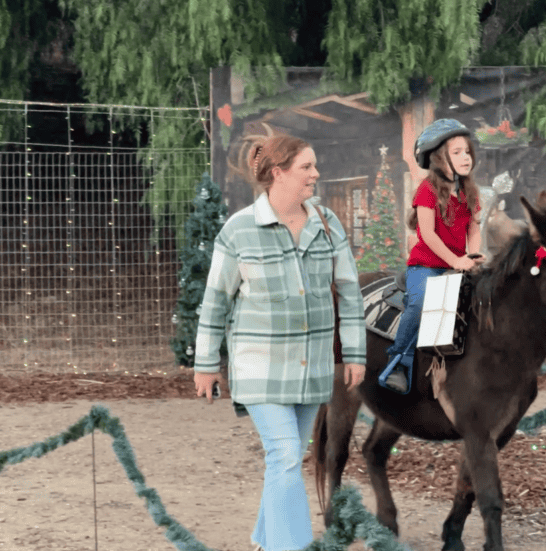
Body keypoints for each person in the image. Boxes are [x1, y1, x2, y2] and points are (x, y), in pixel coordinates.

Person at [192, 136, 366, 551]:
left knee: (285, 460)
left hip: (312, 366)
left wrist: (355, 352)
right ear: (279, 173)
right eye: (306, 167)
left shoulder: (327, 223)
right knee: (286, 454)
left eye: (315, 165)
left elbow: (350, 292)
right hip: (259, 366)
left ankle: (263, 538)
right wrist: (205, 363)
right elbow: (216, 299)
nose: (316, 174)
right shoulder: (239, 230)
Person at [380, 118, 486, 393]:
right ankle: (398, 363)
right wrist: (454, 261)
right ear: (440, 159)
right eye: (457, 152)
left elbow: (474, 229)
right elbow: (427, 234)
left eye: (467, 151)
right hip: (427, 265)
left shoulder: (471, 192)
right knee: (420, 303)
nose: (466, 157)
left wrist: (473, 254)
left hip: (460, 264)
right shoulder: (427, 190)